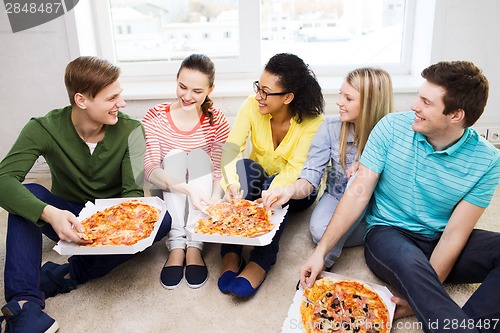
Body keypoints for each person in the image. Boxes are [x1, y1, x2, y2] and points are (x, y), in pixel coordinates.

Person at [299, 61, 500, 333]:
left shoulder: (488, 161)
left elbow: (454, 234)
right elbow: (358, 194)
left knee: (426, 273)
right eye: (419, 97)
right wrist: (320, 252)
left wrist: (419, 298)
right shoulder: (391, 127)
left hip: (440, 236)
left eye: (426, 102)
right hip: (389, 232)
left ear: (456, 115)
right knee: (411, 265)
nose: (414, 106)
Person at [0, 56, 171, 333]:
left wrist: (111, 229)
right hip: (65, 218)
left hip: (112, 222)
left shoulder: (132, 130)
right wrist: (49, 213)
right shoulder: (42, 128)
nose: (122, 104)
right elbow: (3, 180)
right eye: (111, 98)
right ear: (81, 100)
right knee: (27, 193)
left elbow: (131, 196)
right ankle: (23, 303)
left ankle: (67, 273)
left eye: (120, 95)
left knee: (161, 219)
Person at [262, 67, 393, 269]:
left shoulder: (392, 135)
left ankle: (322, 261)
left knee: (358, 177)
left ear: (369, 104)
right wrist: (289, 190)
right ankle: (368, 233)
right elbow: (311, 176)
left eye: (348, 98)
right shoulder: (330, 128)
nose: (339, 102)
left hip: (373, 206)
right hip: (336, 195)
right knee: (318, 231)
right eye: (342, 94)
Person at [218, 53, 325, 297]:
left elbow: (294, 170)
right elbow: (232, 148)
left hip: (296, 191)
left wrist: (272, 192)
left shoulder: (313, 122)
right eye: (258, 87)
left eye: (266, 92)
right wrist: (231, 185)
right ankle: (232, 251)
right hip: (260, 179)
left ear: (288, 97)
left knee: (272, 184)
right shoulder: (252, 106)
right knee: (244, 167)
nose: (258, 96)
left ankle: (261, 260)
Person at [142, 54, 230, 289]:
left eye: (197, 91)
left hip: (201, 195)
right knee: (174, 157)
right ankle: (177, 243)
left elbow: (218, 170)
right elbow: (150, 168)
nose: (187, 96)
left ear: (210, 90)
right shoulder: (155, 116)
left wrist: (213, 199)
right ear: (176, 80)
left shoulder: (218, 120)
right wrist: (187, 188)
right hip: (170, 187)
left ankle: (195, 245)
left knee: (200, 159)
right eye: (182, 87)